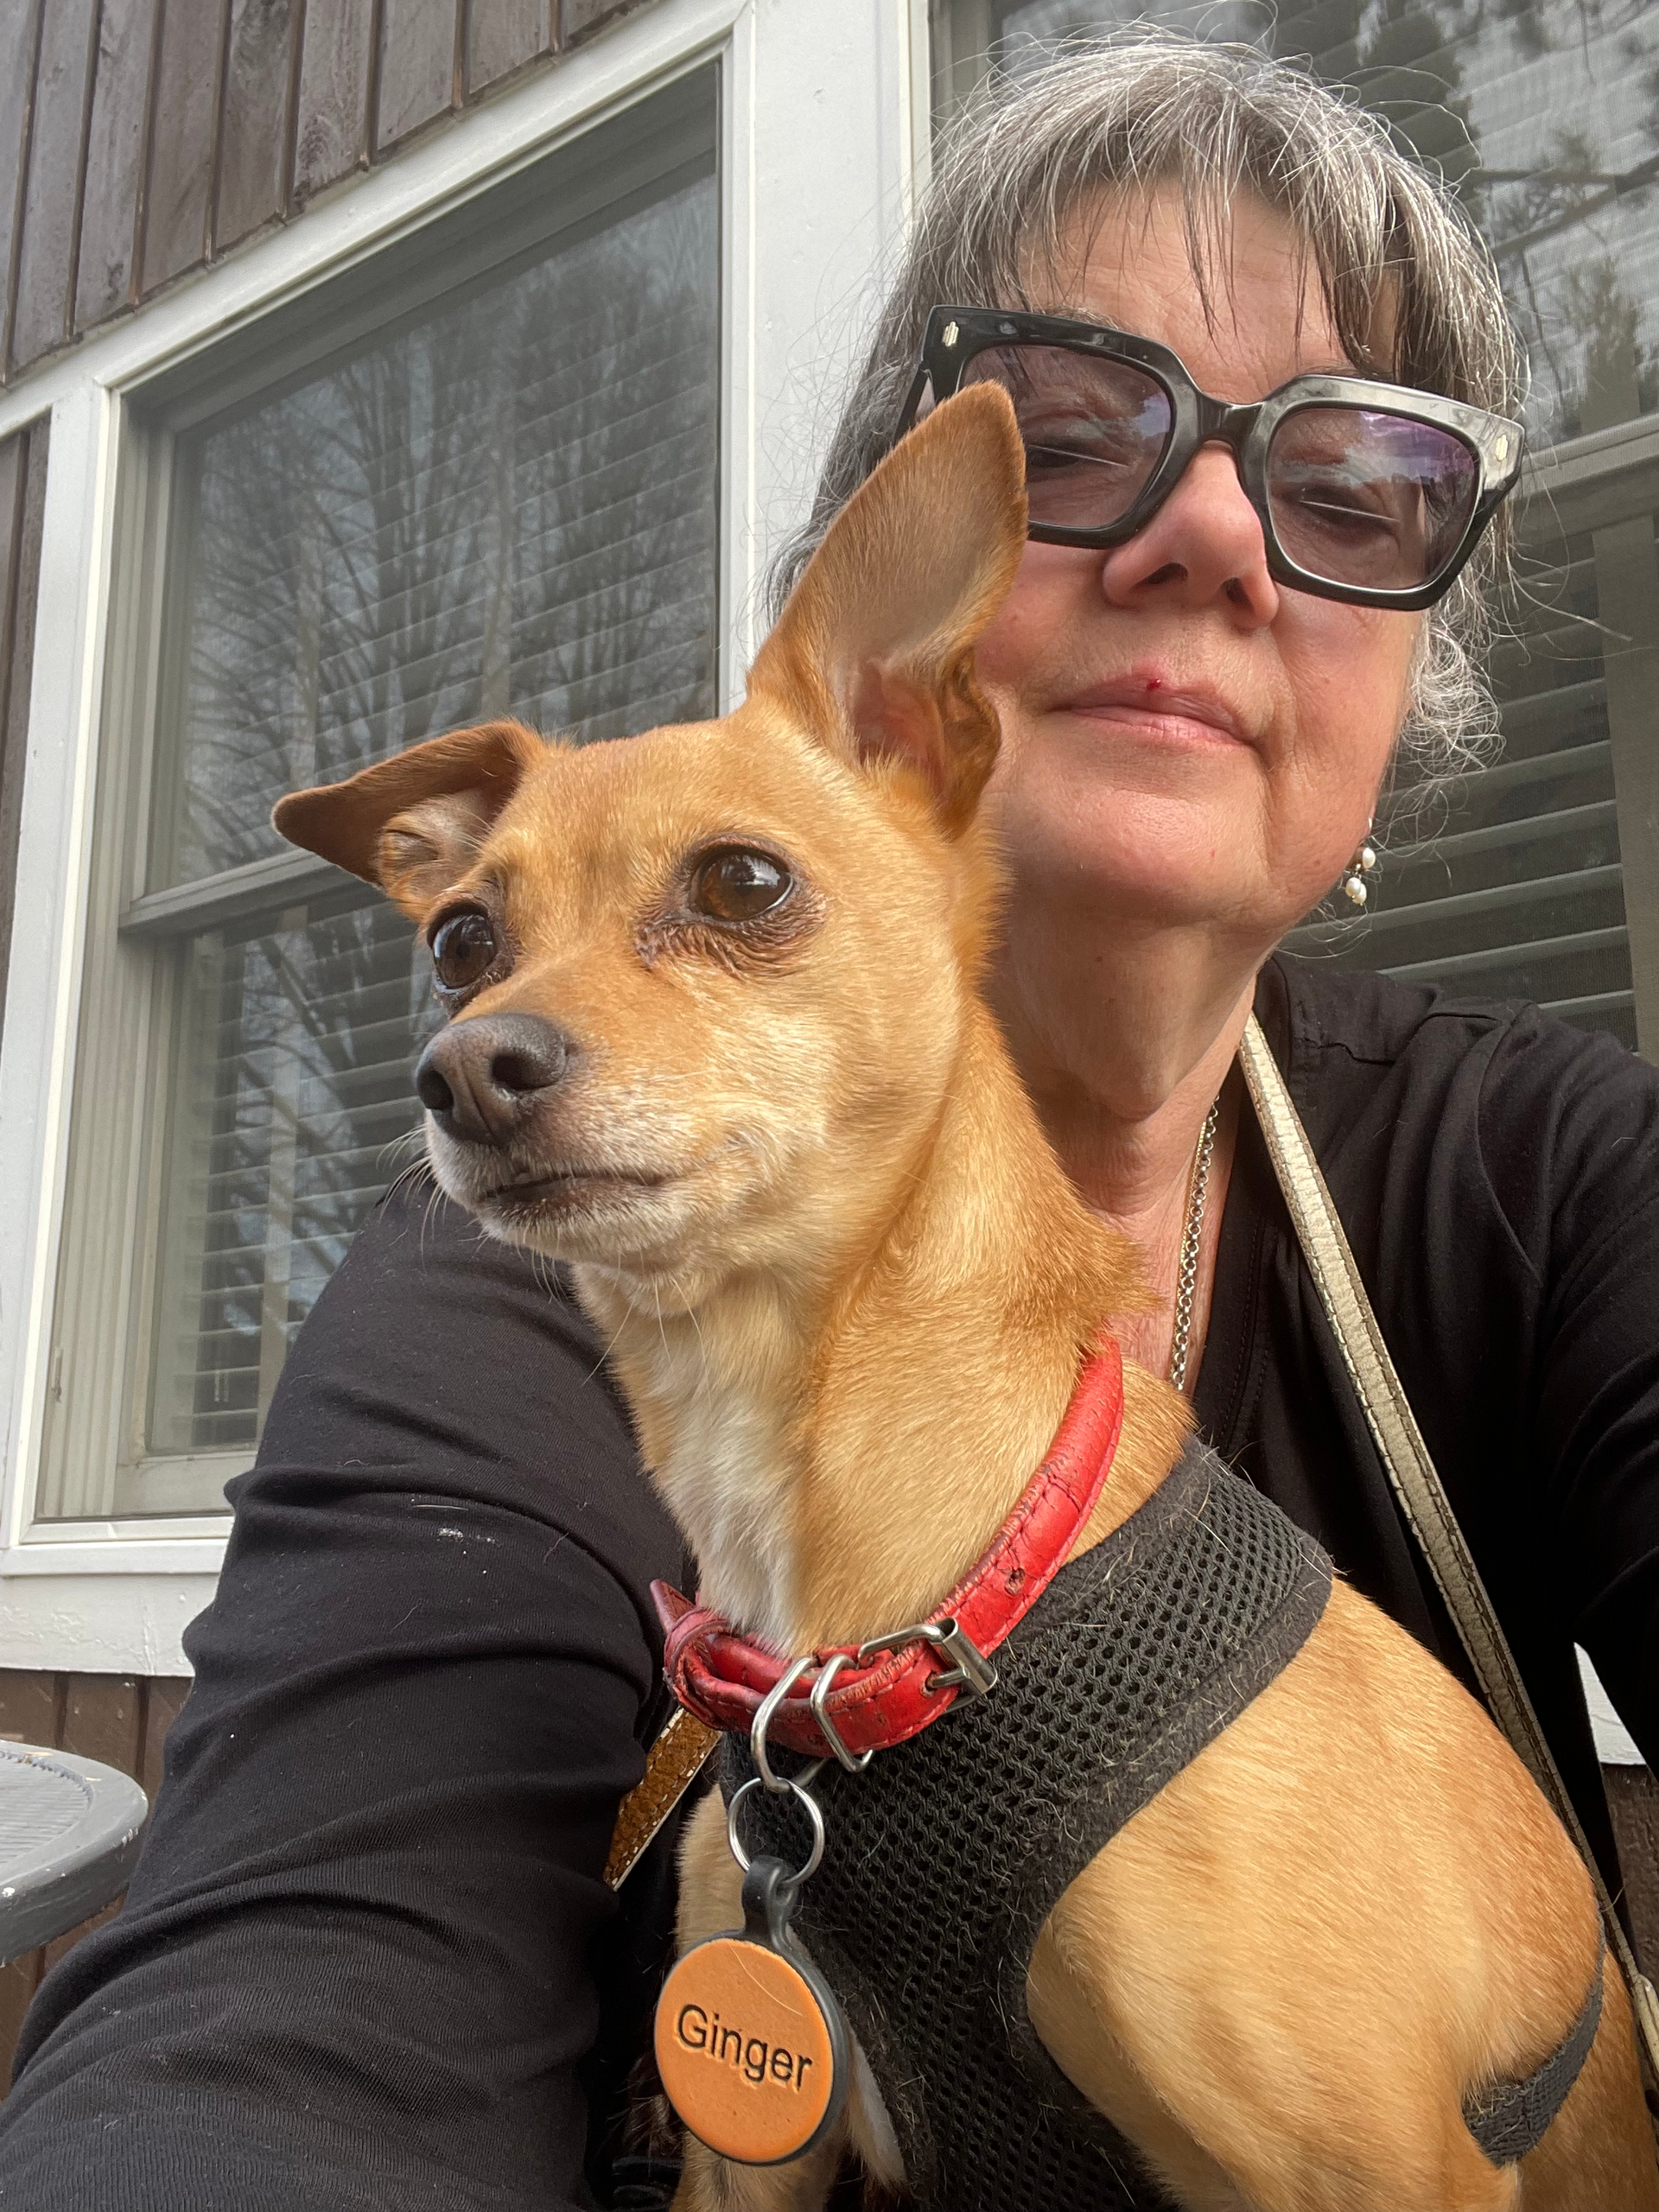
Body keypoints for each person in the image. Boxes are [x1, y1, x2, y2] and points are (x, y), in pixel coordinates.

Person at [2, 34, 1655, 2212]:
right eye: (1074, 435)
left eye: (1351, 482)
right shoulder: (553, 1260)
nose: (1207, 536)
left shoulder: (1553, 1169)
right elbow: (303, 1970)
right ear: (923, 655)